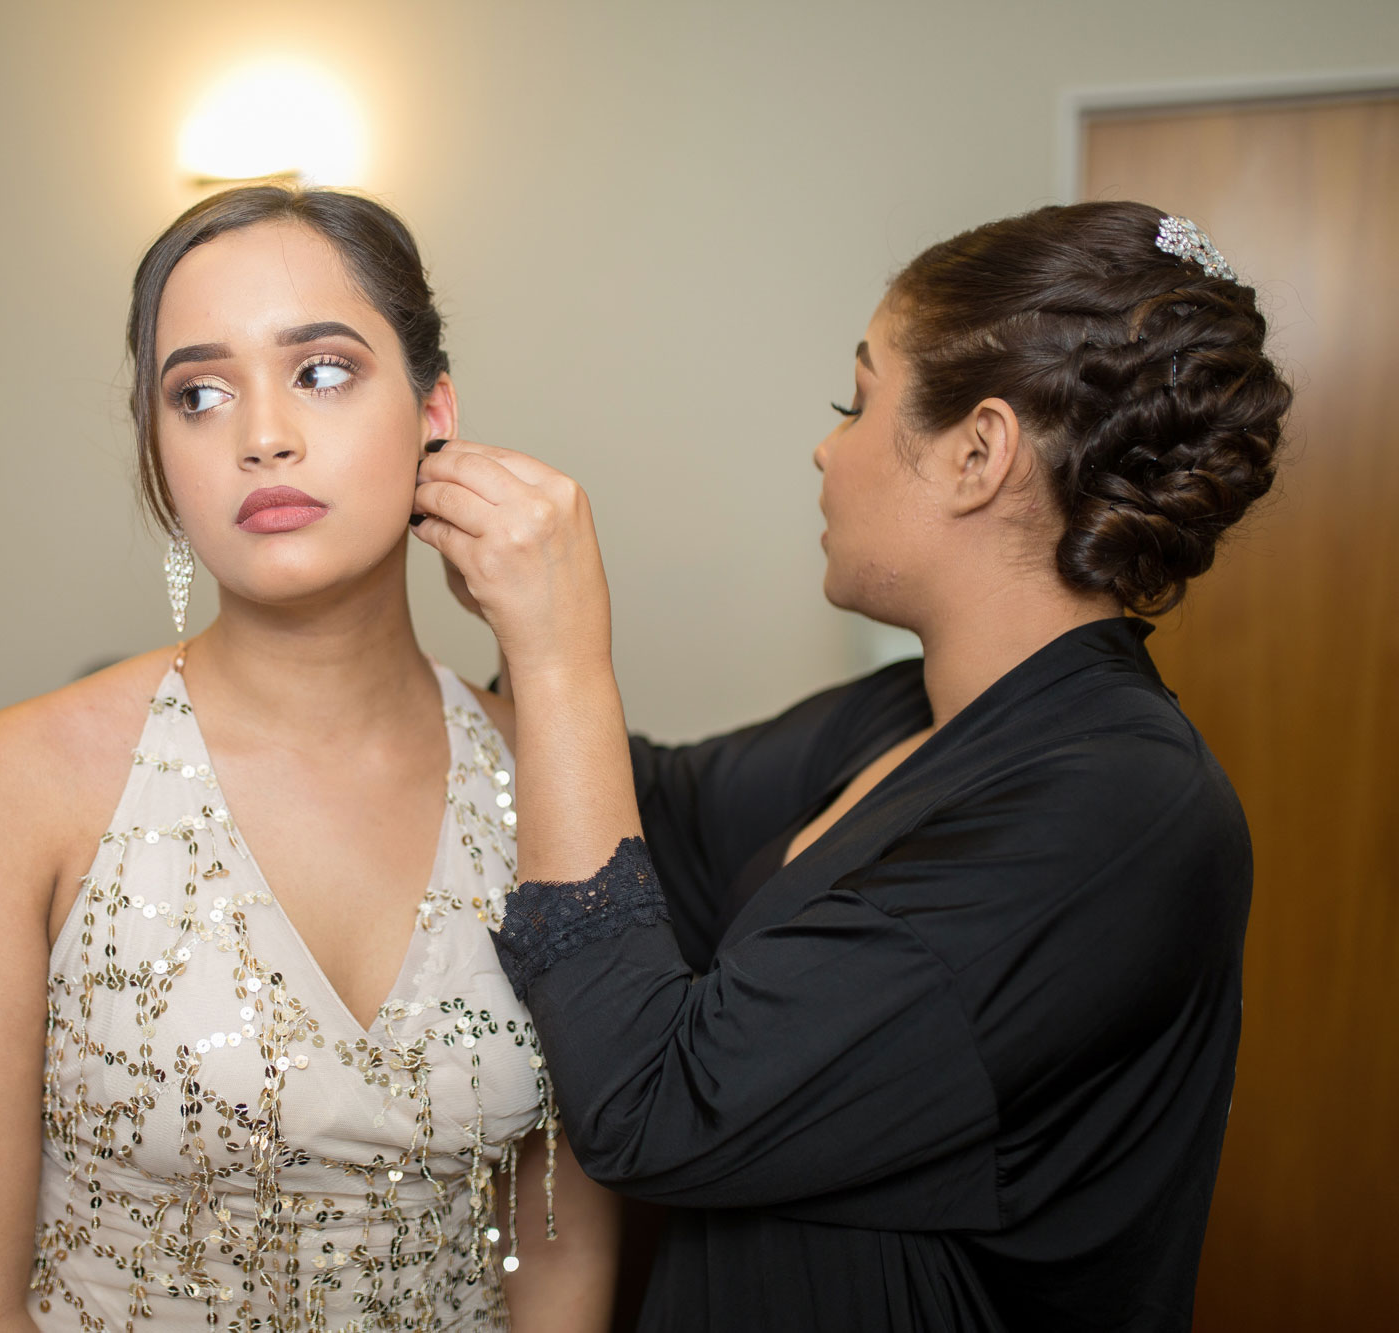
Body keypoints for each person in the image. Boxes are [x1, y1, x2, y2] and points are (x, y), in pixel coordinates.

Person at [412, 201, 1290, 1331]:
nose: (827, 445)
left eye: (859, 399)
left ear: (977, 452)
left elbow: (655, 1104)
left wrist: (565, 652)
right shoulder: (912, 715)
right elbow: (651, 816)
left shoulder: (1120, 808)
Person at [0, 186, 620, 1332]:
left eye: (320, 370)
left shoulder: (543, 766)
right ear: (158, 454)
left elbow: (559, 1236)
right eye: (199, 393)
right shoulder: (26, 780)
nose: (260, 434)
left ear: (433, 408)